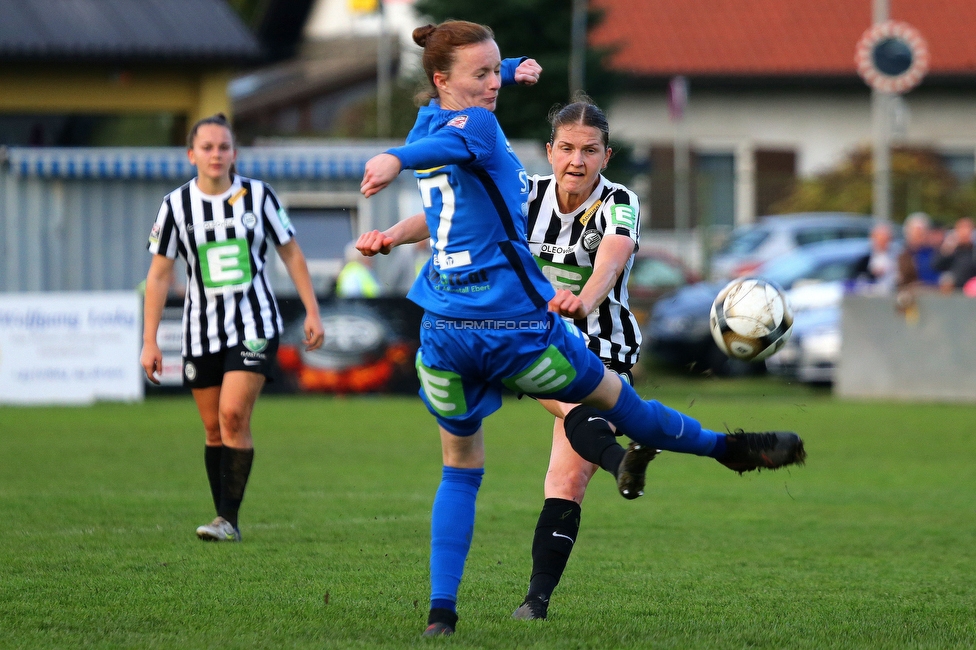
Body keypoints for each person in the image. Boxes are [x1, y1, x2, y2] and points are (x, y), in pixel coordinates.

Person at [357, 20, 805, 638]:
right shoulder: (484, 136)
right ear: (550, 151)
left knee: (467, 466)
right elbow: (448, 153)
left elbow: (611, 254)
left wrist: (507, 71)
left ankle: (444, 614)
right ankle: (710, 450)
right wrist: (394, 163)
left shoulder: (441, 126)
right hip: (519, 328)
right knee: (610, 409)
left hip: (446, 332)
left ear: (605, 155)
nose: (576, 157)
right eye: (482, 75)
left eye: (589, 149)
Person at [140, 113, 324, 542]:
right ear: (191, 155)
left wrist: (312, 311)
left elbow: (292, 254)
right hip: (199, 330)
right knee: (212, 428)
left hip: (253, 323)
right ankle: (223, 515)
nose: (216, 154)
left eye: (224, 147)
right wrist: (149, 339)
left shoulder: (259, 197)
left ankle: (227, 520)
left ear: (234, 153)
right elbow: (159, 274)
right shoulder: (175, 205)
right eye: (207, 147)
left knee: (232, 414)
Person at [933, 217, 976, 291]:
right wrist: (947, 249)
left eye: (967, 228)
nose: (965, 232)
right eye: (962, 229)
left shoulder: (973, 251)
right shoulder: (951, 250)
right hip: (952, 293)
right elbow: (935, 265)